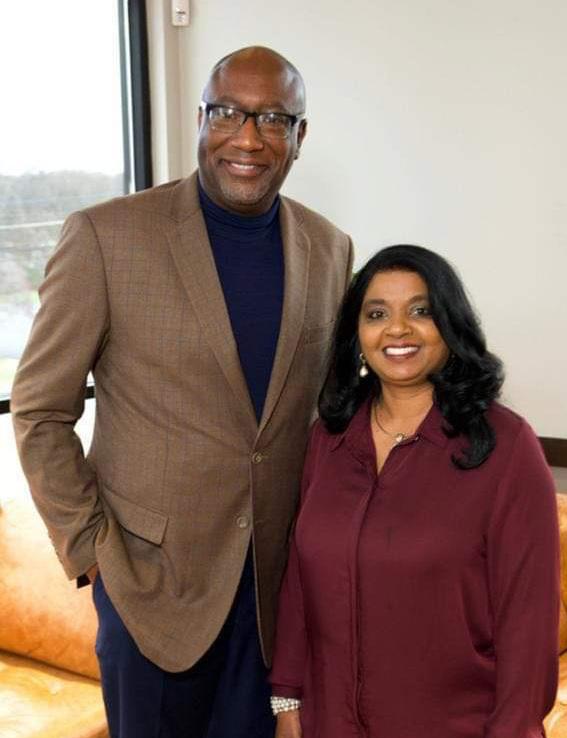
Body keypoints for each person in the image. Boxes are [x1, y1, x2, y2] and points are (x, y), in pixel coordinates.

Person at [10, 46, 353, 738]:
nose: (247, 138)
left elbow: (326, 413)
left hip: (274, 598)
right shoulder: (106, 237)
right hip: (150, 592)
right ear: (200, 118)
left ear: (299, 135)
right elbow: (41, 409)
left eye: (273, 119)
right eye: (227, 112)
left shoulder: (330, 249)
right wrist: (91, 551)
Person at [269, 244, 559, 738]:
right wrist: (287, 700)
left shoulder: (507, 446)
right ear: (357, 335)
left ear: (449, 324)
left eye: (420, 311)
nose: (397, 329)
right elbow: (300, 577)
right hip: (327, 724)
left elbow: (527, 622)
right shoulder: (329, 438)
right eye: (377, 314)